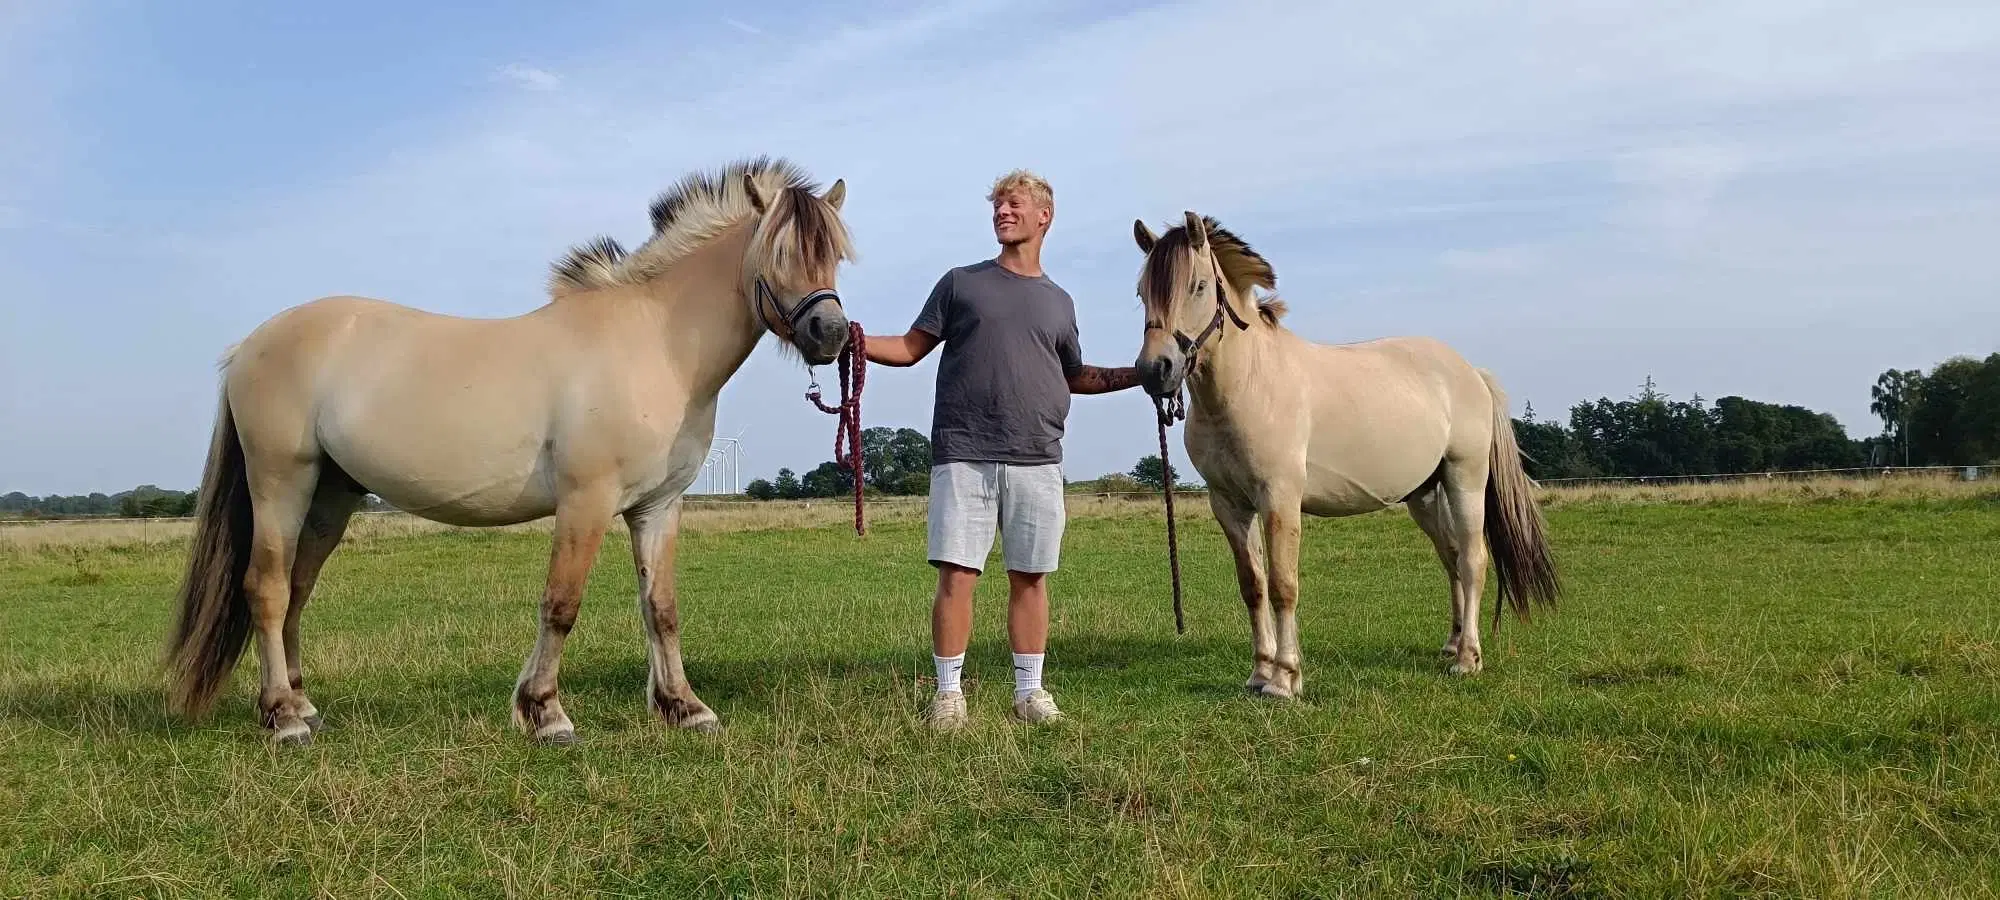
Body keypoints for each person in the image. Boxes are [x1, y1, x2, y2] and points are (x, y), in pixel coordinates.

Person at [864, 169, 1140, 729]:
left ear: (1045, 216)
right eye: (997, 206)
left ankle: (1029, 693)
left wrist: (1141, 374)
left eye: (1013, 204)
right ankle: (948, 695)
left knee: (1031, 576)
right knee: (957, 575)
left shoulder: (1059, 302)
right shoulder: (961, 283)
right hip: (964, 452)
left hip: (1038, 455)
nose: (1002, 213)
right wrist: (852, 339)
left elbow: (1075, 375)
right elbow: (911, 348)